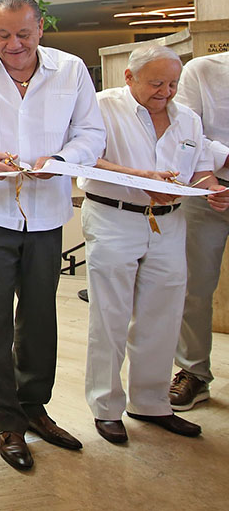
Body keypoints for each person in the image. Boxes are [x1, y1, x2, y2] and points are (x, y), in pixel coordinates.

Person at [0, 0, 105, 471]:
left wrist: (62, 161)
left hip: (46, 213)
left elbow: (91, 134)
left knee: (38, 317)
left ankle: (34, 406)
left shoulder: (71, 70)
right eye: (3, 35)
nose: (13, 44)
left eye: (23, 34)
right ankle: (7, 422)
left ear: (40, 30)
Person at [79, 44, 229, 444]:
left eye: (173, 84)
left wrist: (212, 190)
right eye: (157, 83)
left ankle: (151, 403)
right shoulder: (101, 107)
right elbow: (84, 159)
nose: (167, 92)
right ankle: (106, 407)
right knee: (110, 315)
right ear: (129, 78)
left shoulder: (187, 118)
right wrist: (140, 178)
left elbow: (200, 171)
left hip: (170, 223)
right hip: (113, 217)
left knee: (163, 314)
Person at [171, 49, 229, 411]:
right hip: (207, 189)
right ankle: (193, 371)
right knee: (194, 285)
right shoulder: (203, 70)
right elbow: (186, 129)